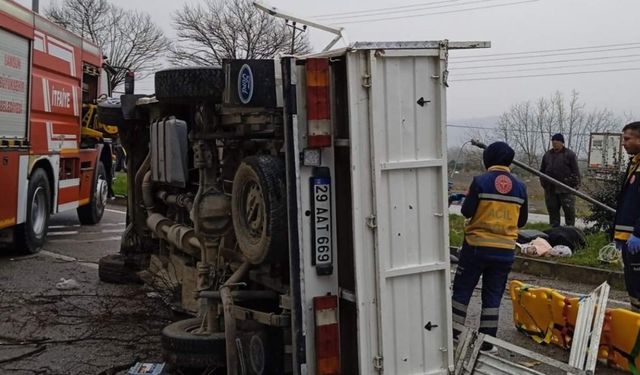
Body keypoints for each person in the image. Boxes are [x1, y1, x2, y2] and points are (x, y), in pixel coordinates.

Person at [451, 141, 528, 352]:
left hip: (476, 247)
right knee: (493, 295)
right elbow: (521, 222)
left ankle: (454, 333)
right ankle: (488, 343)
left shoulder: (480, 181)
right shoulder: (521, 187)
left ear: (488, 159)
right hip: (505, 250)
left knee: (463, 290)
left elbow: (467, 211)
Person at [614, 122, 640, 311]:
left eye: (627, 139)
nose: (624, 143)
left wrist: (638, 233)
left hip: (636, 236)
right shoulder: (635, 162)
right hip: (627, 236)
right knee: (632, 283)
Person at [539, 133, 581, 227]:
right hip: (550, 190)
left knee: (569, 213)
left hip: (566, 189)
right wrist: (544, 184)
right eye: (553, 141)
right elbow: (541, 171)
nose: (554, 143)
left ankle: (570, 232)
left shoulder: (569, 154)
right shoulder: (547, 155)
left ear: (562, 142)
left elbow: (576, 171)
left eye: (557, 141)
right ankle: (554, 233)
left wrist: (575, 186)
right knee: (553, 212)